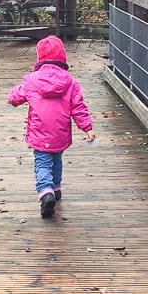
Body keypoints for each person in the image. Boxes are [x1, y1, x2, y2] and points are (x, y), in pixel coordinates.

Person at [8, 35, 96, 218]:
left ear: (40, 58)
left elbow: (14, 98)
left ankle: (46, 192)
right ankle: (56, 188)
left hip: (40, 133)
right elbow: (79, 107)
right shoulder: (70, 83)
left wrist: (15, 92)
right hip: (60, 133)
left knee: (42, 163)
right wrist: (87, 128)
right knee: (56, 159)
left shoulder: (32, 81)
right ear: (62, 57)